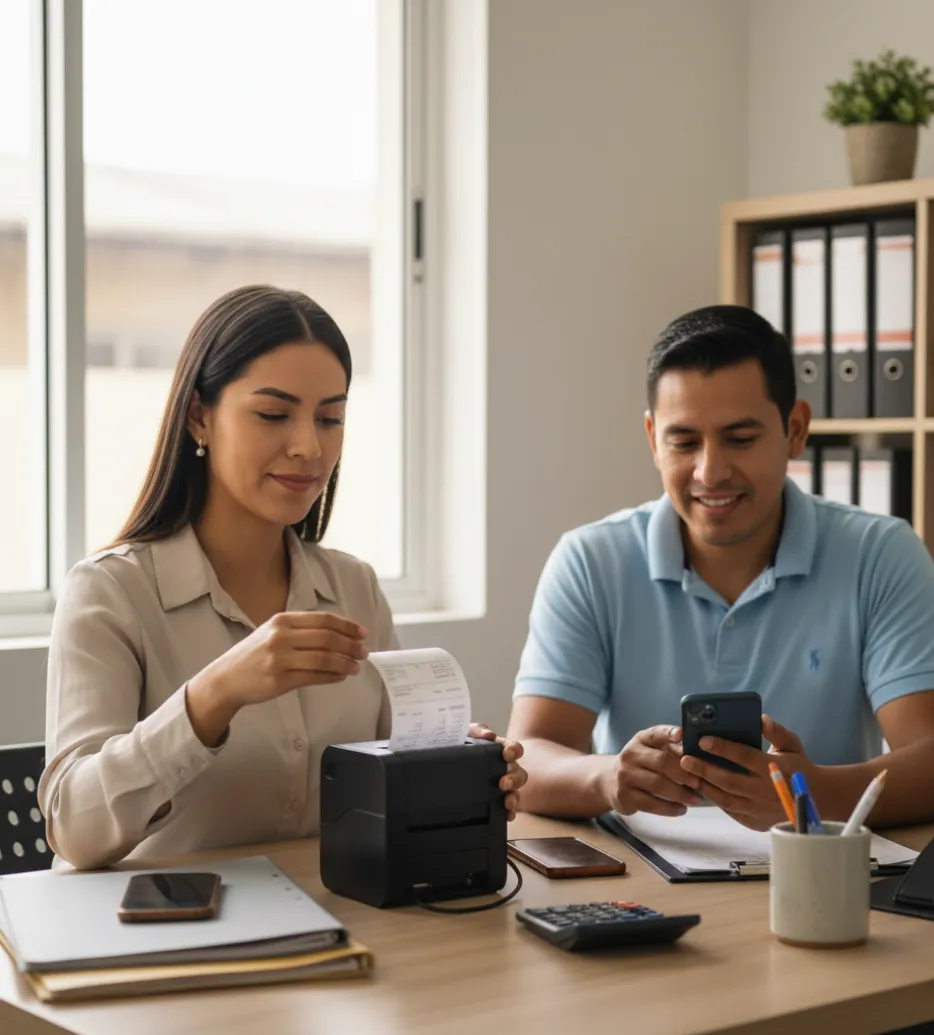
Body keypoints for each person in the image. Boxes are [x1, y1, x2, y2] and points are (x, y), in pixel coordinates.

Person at [40, 285, 525, 870]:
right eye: (273, 415)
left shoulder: (355, 588)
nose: (308, 447)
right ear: (199, 417)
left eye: (330, 419)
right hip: (161, 919)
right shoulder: (109, 592)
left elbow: (398, 780)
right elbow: (74, 829)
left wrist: (464, 766)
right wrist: (215, 694)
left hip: (336, 911)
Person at [507, 304, 934, 832]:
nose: (710, 472)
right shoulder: (590, 561)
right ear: (653, 440)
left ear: (795, 429)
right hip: (639, 874)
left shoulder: (880, 554)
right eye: (685, 442)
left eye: (740, 439)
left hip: (819, 864)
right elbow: (528, 758)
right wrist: (609, 777)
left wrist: (811, 793)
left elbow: (929, 758)